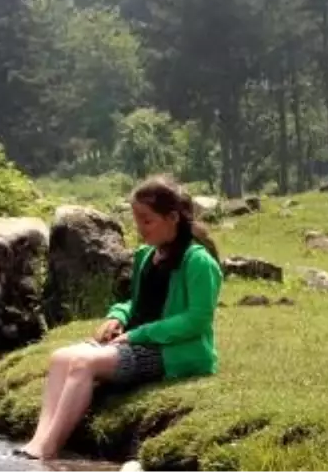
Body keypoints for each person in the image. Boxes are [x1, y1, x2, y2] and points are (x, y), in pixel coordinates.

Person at [14, 176, 223, 461]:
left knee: (83, 364)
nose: (139, 228)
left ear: (173, 217)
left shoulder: (198, 262)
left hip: (171, 351)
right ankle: (37, 442)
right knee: (60, 357)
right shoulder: (145, 256)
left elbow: (196, 320)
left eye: (147, 221)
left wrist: (138, 335)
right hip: (134, 341)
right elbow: (137, 304)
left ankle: (47, 449)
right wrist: (117, 316)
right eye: (137, 220)